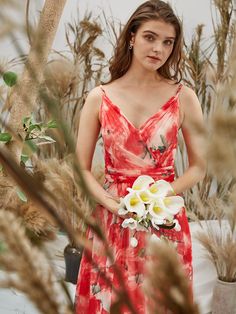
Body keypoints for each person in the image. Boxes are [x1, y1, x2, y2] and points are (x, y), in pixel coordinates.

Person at [75, 0, 206, 313]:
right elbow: (80, 169)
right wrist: (113, 206)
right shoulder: (99, 98)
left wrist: (159, 197)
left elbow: (200, 166)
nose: (158, 48)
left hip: (164, 217)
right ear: (132, 37)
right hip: (112, 219)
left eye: (167, 42)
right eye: (150, 37)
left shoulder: (184, 96)